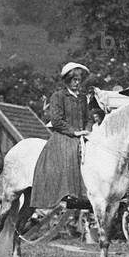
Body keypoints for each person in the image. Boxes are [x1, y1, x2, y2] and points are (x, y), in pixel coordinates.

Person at [31, 62, 92, 209]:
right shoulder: (58, 96)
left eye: (79, 80)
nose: (77, 83)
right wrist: (74, 132)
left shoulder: (83, 98)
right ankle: (70, 193)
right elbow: (56, 120)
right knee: (70, 151)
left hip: (83, 134)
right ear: (67, 80)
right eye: (74, 80)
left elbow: (88, 118)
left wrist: (88, 130)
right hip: (64, 135)